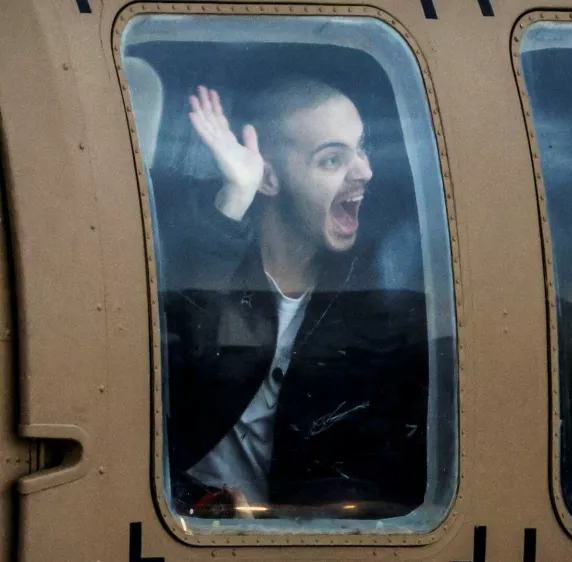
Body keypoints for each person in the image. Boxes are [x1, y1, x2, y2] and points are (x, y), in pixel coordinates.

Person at [161, 78, 429, 520]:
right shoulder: (210, 260)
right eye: (332, 159)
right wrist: (234, 200)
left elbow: (377, 463)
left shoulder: (373, 298)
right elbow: (160, 379)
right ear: (270, 177)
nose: (364, 172)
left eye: (362, 149)